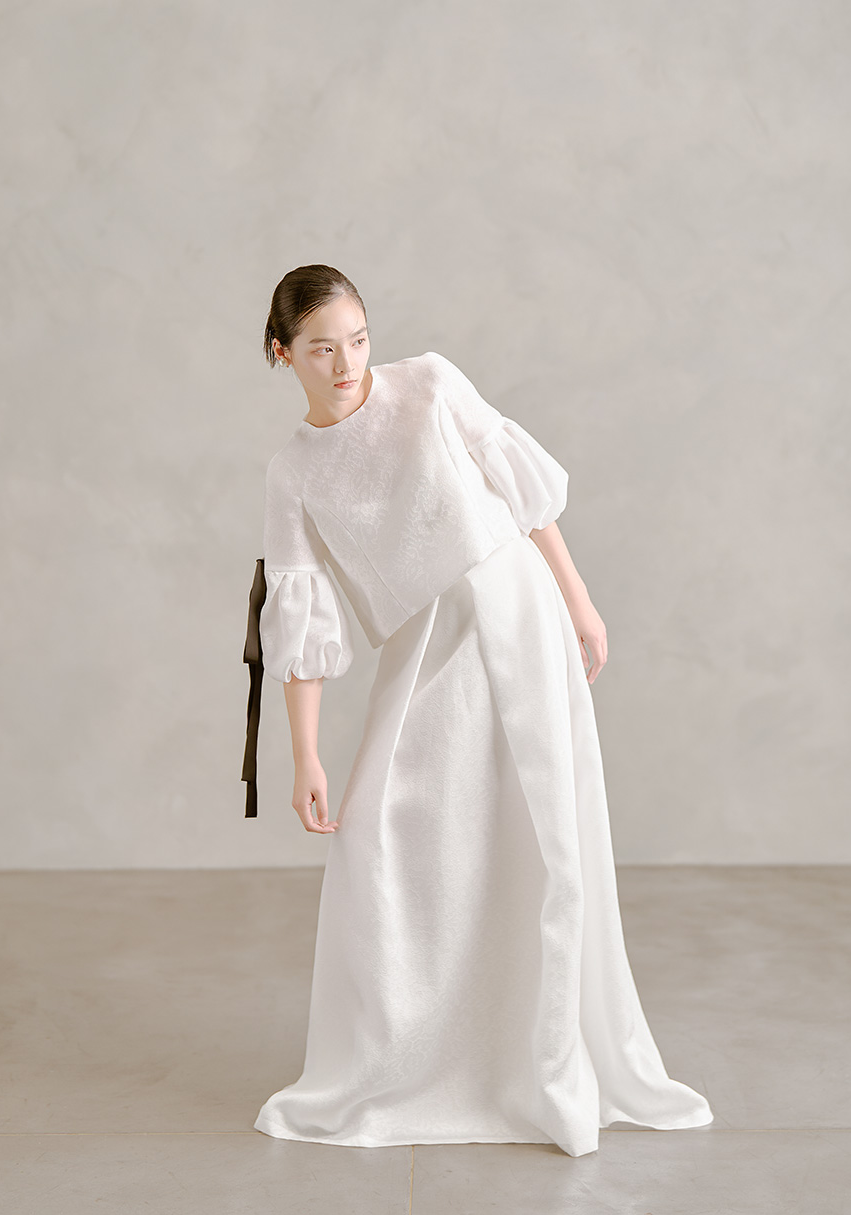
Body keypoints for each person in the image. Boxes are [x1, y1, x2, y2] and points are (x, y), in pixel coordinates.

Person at [242, 263, 713, 1157]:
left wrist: (577, 599)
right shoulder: (292, 472)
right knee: (385, 837)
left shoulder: (429, 384)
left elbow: (519, 498)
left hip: (516, 606)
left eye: (357, 340)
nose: (346, 364)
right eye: (321, 349)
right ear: (282, 354)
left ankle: (539, 1055)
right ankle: (417, 1058)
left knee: (540, 827)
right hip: (427, 642)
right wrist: (305, 756)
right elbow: (299, 621)